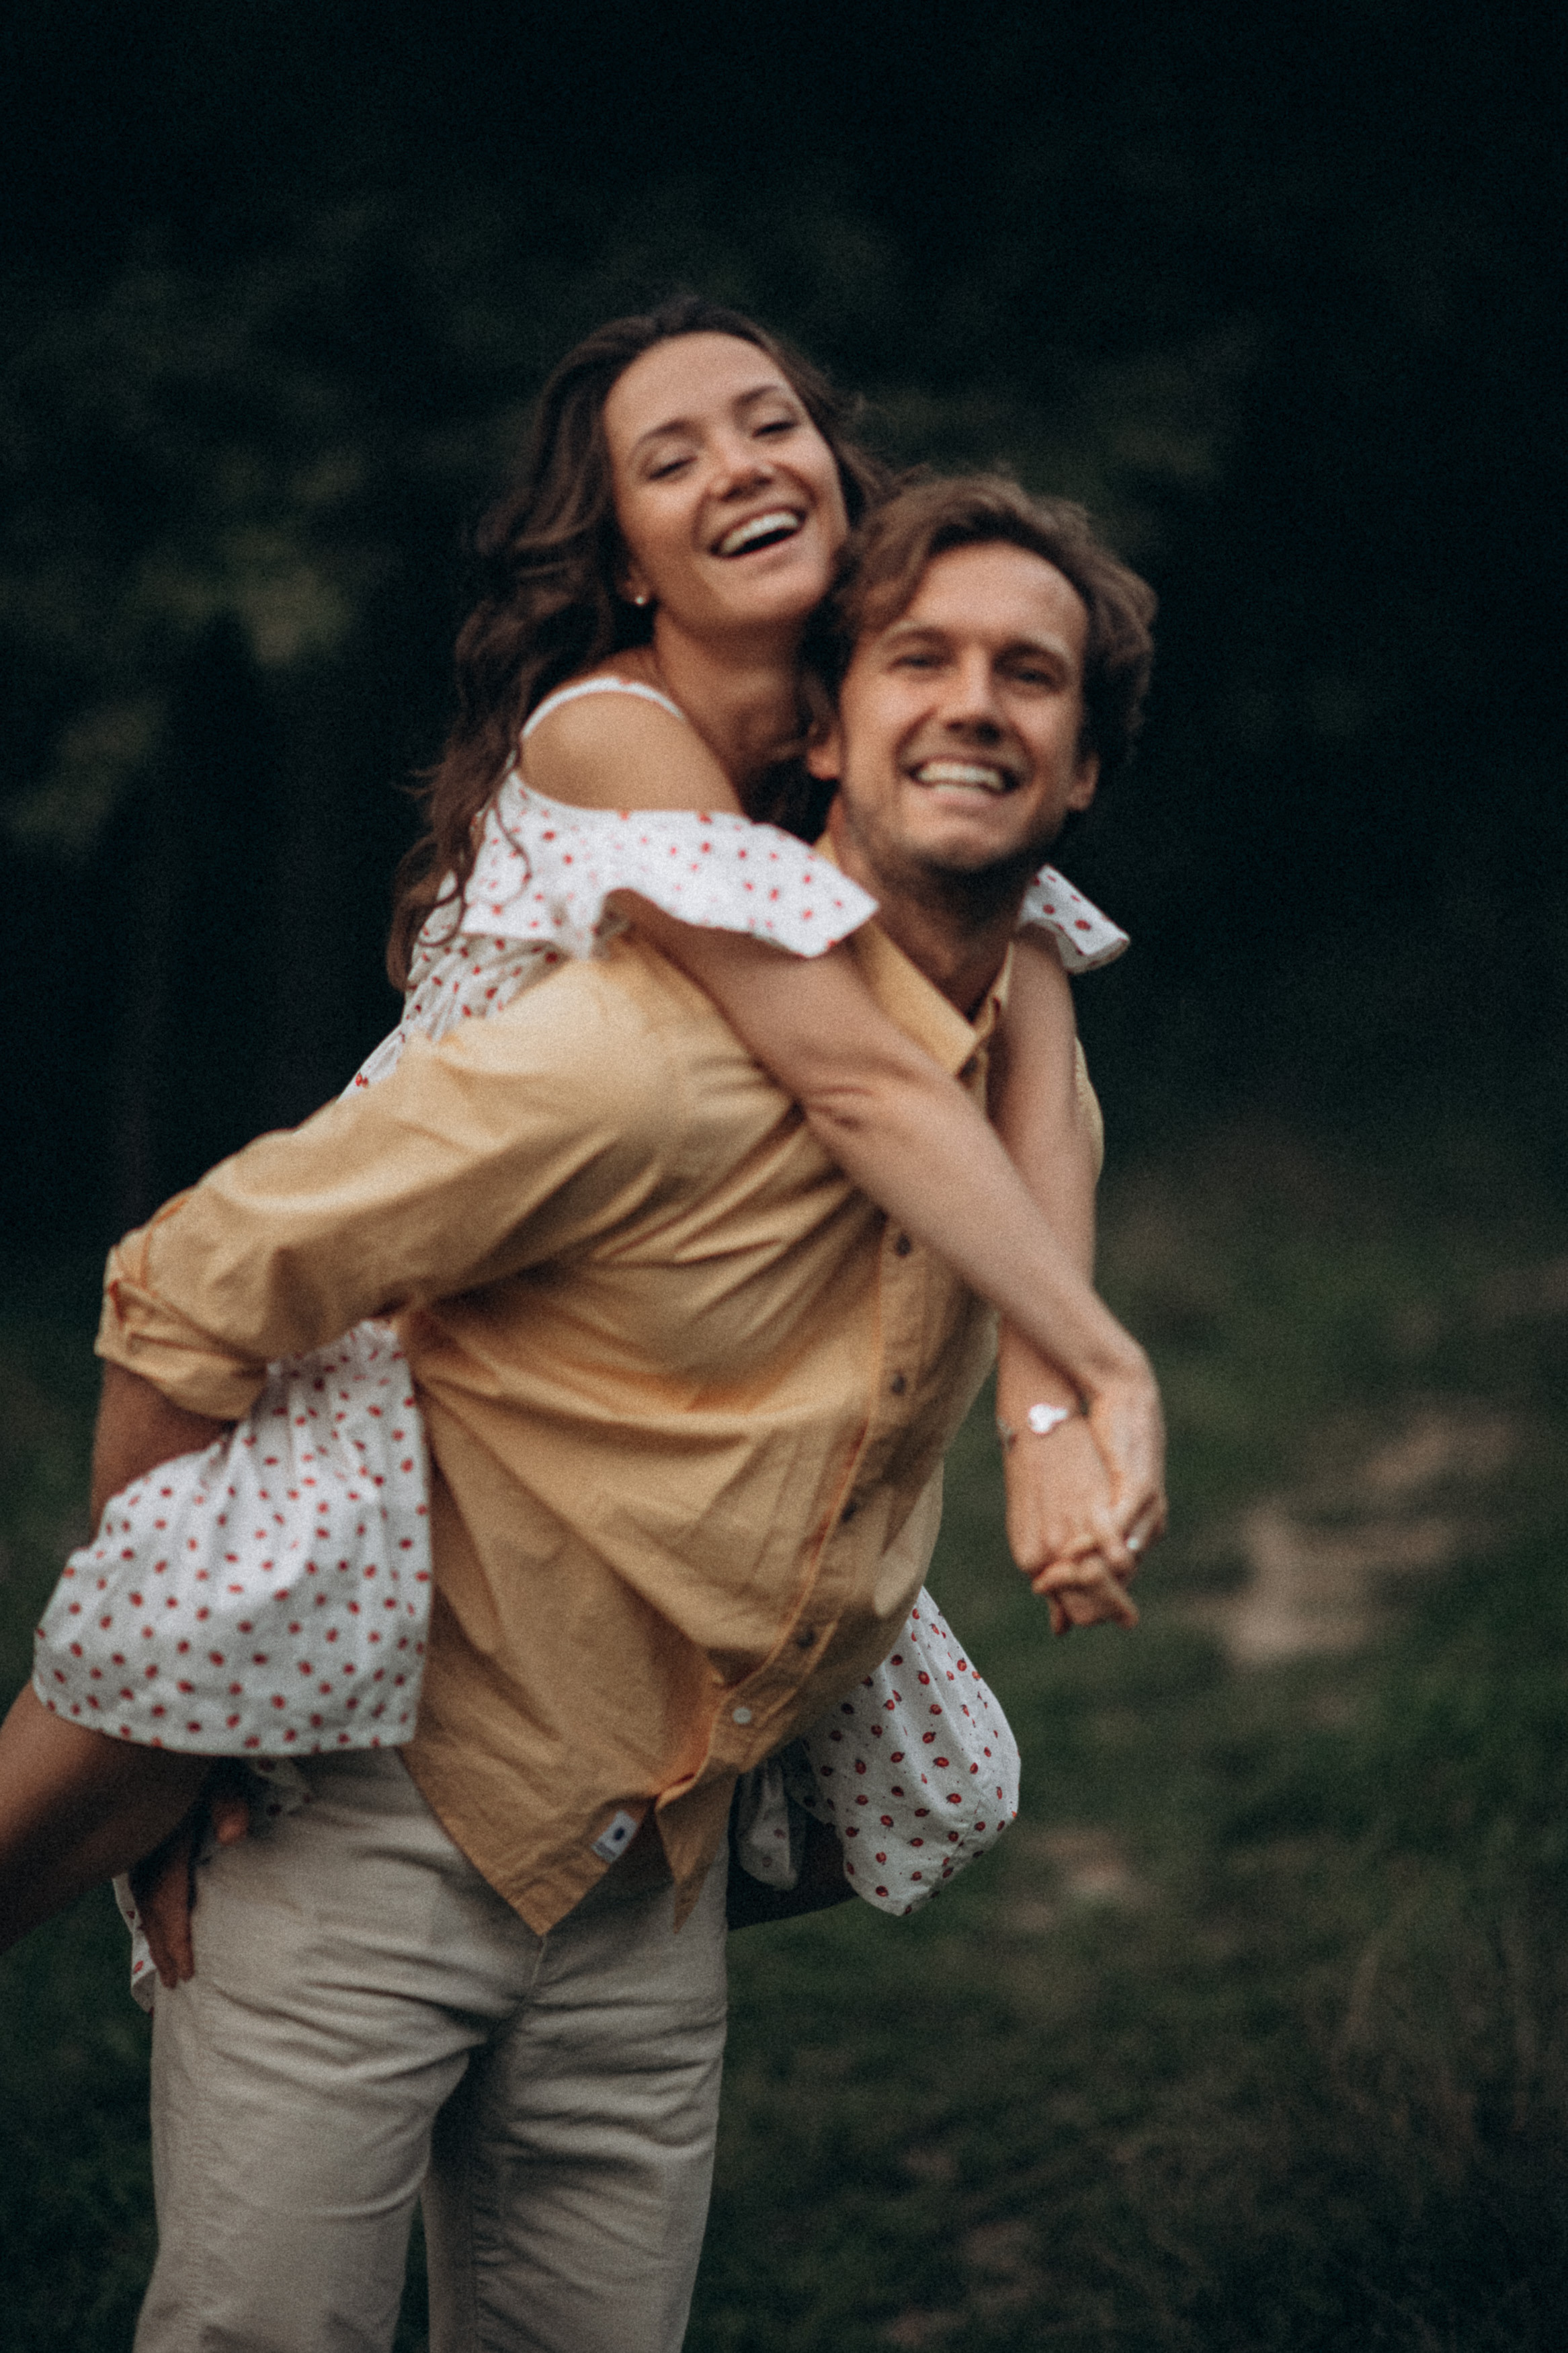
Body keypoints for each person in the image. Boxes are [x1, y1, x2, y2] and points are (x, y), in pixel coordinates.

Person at [49, 471, 1161, 2353]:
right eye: (924, 658)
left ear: (1082, 781)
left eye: (1030, 675)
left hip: (658, 1892)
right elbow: (195, 1276)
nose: (976, 698)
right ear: (823, 729)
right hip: (358, 1836)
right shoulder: (644, 1053)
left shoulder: (1008, 1087)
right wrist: (176, 1700)